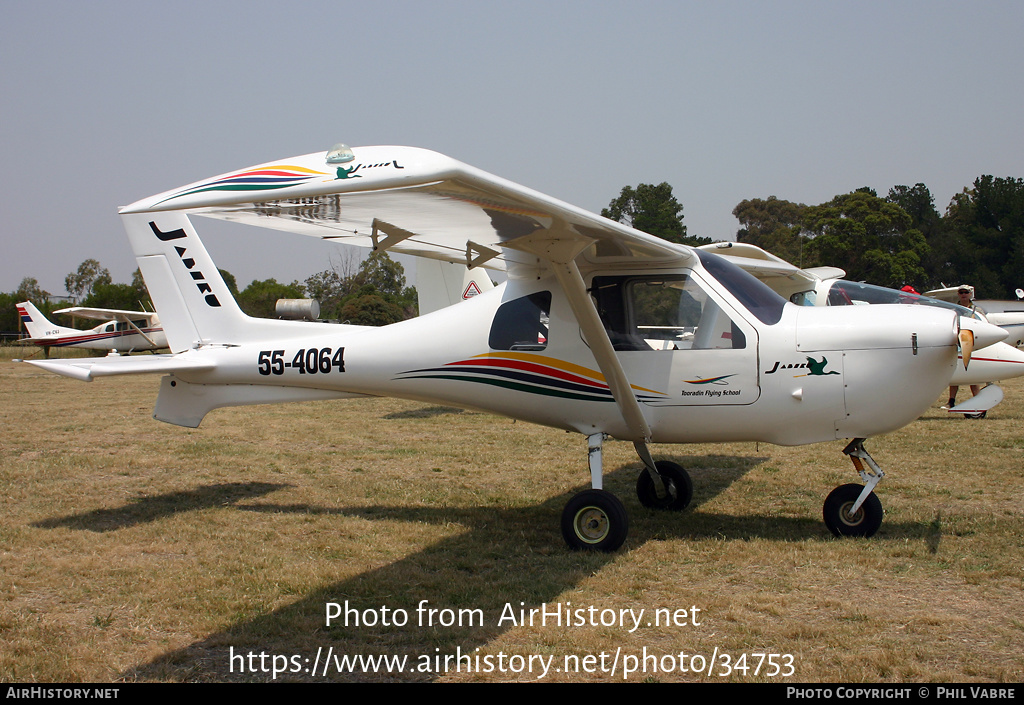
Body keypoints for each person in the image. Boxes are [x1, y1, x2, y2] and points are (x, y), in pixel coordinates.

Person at [948, 285, 984, 417]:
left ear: (970, 294)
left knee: (973, 374)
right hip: (958, 345)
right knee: (956, 373)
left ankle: (977, 399)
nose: (963, 295)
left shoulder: (977, 310)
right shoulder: (954, 310)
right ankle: (951, 401)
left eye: (966, 292)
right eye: (961, 292)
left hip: (972, 345)